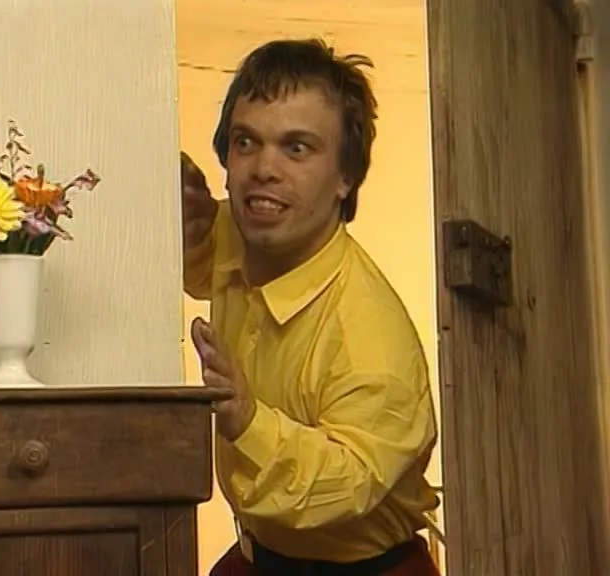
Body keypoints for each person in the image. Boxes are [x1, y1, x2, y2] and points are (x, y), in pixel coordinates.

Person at [182, 37, 440, 576]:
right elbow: (206, 260)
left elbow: (348, 484)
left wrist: (247, 419)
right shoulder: (242, 234)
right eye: (246, 142)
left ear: (346, 178)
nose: (263, 168)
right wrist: (187, 225)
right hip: (256, 559)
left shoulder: (370, 336)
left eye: (296, 148)